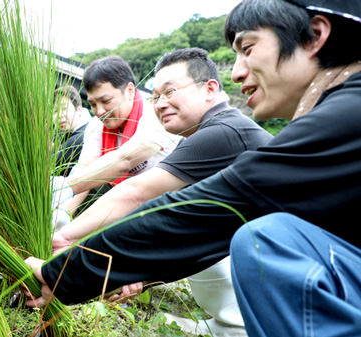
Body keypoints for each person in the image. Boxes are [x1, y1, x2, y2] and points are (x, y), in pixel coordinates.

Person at [26, 1, 361, 336]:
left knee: (263, 240)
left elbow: (175, 208)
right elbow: (209, 227)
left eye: (248, 48)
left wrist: (66, 267)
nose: (236, 72)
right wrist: (123, 273)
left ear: (314, 36)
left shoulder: (237, 129)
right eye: (155, 96)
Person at [51, 56, 181, 224]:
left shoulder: (155, 118)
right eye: (92, 104)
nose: (99, 111)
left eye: (105, 101)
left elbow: (123, 161)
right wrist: (63, 212)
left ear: (129, 90)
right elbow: (85, 168)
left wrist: (64, 186)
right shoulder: (96, 125)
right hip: (123, 203)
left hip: (163, 206)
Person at [52, 85, 93, 177]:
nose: (59, 115)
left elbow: (48, 165)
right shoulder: (65, 133)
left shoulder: (83, 136)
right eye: (55, 111)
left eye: (64, 109)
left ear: (79, 109)